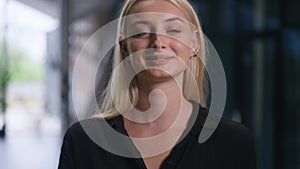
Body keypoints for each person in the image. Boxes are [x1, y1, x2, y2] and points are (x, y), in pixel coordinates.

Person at [58, 0, 256, 169]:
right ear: (124, 47)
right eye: (141, 32)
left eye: (174, 30)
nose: (158, 42)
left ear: (194, 43)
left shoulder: (234, 142)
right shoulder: (83, 141)